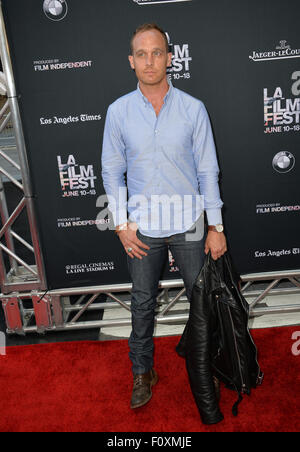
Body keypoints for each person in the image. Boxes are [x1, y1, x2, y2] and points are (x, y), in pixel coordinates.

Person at [101, 23, 227, 409]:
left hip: (190, 222)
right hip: (142, 227)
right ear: (131, 61)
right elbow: (111, 169)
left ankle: (206, 368)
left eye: (157, 53)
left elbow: (208, 170)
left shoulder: (193, 109)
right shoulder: (119, 111)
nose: (150, 61)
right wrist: (120, 224)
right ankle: (143, 372)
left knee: (202, 302)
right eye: (142, 54)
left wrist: (216, 225)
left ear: (170, 58)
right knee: (141, 303)